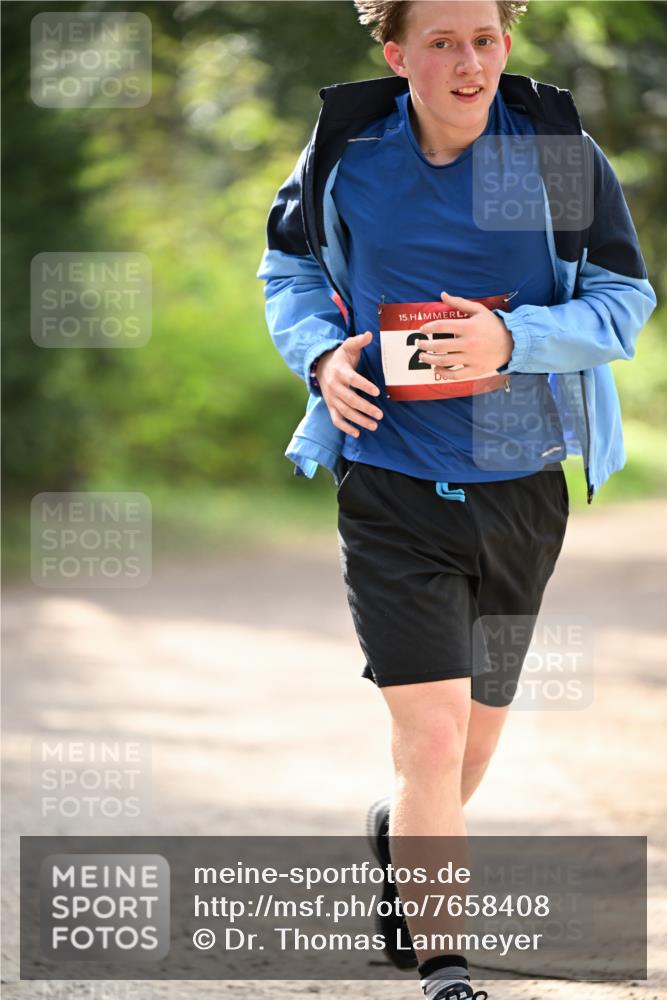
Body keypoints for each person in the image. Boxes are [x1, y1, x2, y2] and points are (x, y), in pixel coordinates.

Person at [257, 2, 657, 998]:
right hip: (390, 481)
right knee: (428, 740)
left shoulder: (558, 157)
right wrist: (315, 354)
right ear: (397, 55)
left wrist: (511, 343)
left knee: (468, 744)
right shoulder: (349, 155)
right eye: (440, 41)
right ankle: (444, 967)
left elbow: (623, 303)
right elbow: (291, 269)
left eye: (483, 39)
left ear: (505, 46)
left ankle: (403, 835)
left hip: (522, 487)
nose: (467, 61)